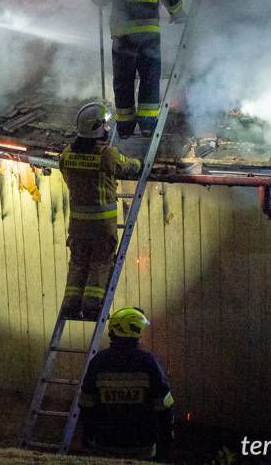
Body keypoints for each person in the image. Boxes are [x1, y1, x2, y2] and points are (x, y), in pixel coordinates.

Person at [91, 0, 186, 138]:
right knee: (150, 79)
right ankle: (147, 125)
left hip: (123, 37)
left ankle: (124, 128)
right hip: (150, 37)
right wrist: (179, 15)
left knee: (123, 80)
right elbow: (173, 0)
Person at [60, 102, 141, 319]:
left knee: (78, 261)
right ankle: (92, 304)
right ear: (97, 129)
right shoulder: (107, 155)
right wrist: (139, 163)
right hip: (102, 225)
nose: (108, 129)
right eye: (105, 125)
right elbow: (128, 165)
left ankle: (70, 302)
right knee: (100, 261)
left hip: (77, 224)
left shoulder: (67, 154)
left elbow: (68, 178)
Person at [79, 306, 175, 459]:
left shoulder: (98, 362)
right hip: (142, 444)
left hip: (105, 443)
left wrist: (87, 434)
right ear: (135, 332)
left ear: (113, 331)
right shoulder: (149, 363)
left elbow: (86, 403)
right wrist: (167, 437)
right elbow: (164, 405)